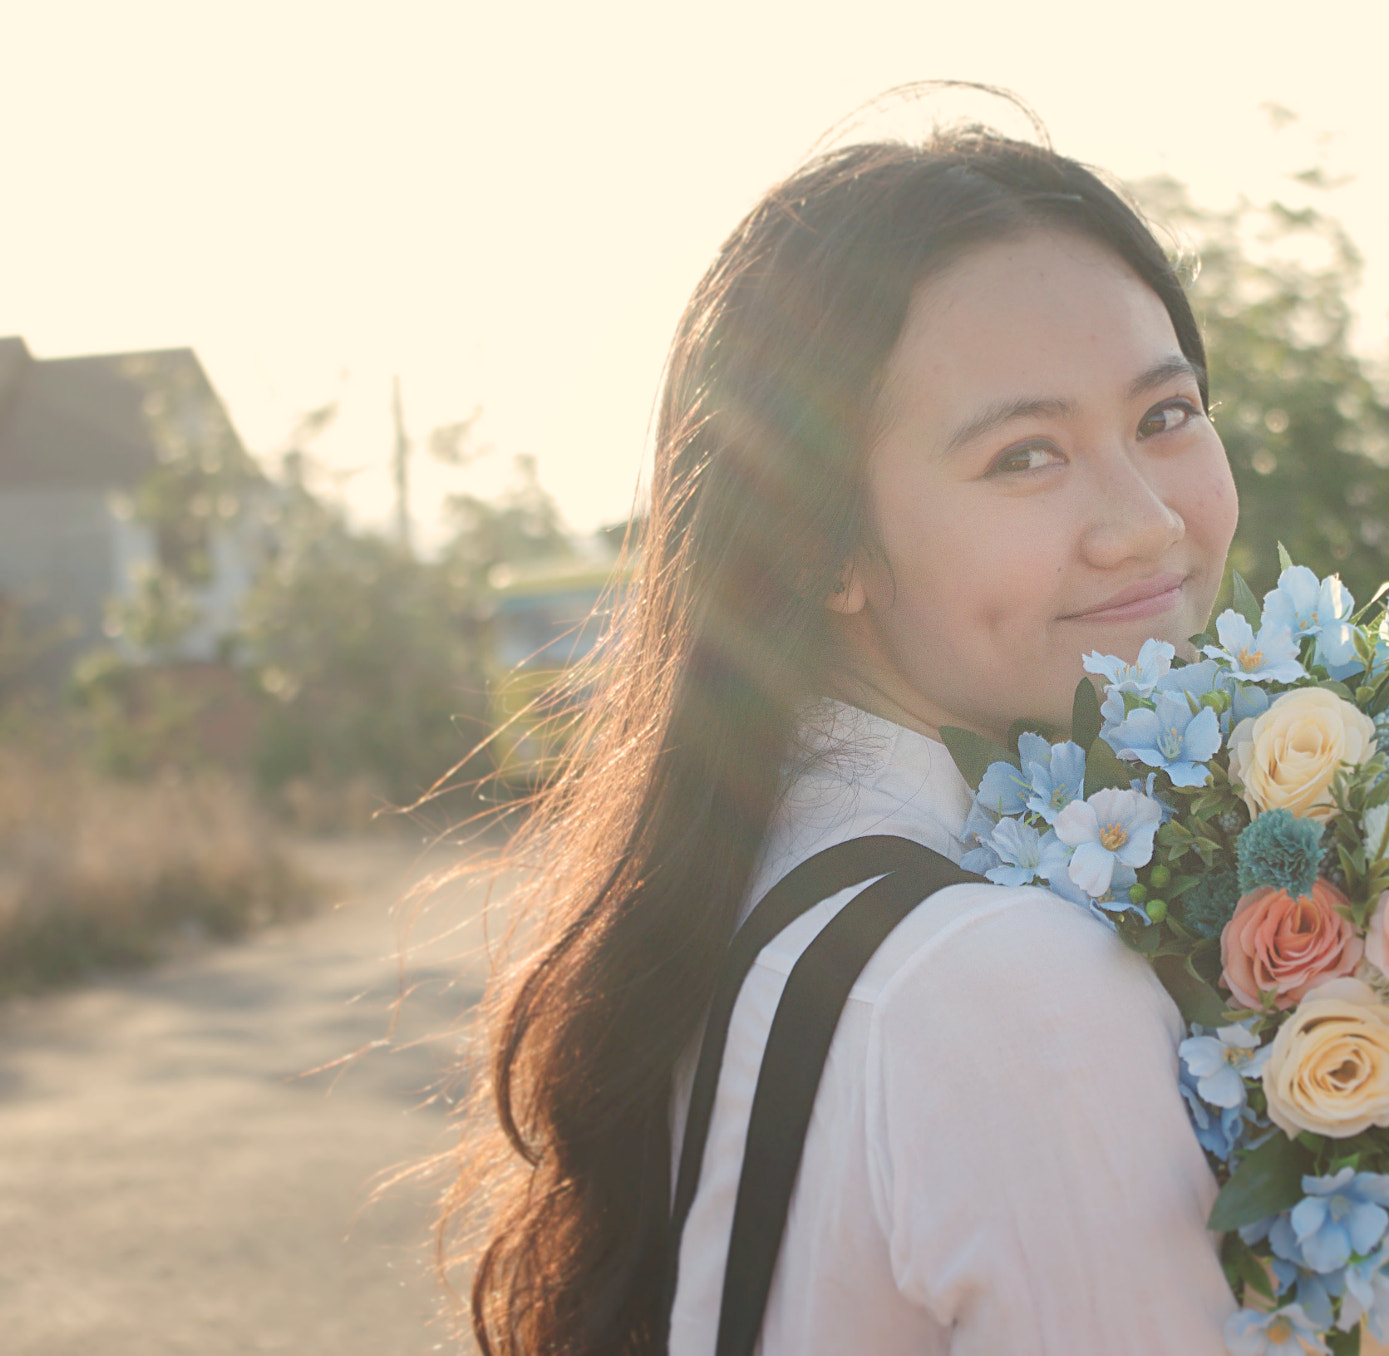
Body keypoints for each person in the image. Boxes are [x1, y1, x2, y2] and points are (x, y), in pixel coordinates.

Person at [441, 121, 1243, 1355]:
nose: (1142, 525)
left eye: (1165, 414)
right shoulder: (1003, 983)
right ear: (823, 544)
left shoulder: (759, 864)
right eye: (1022, 455)